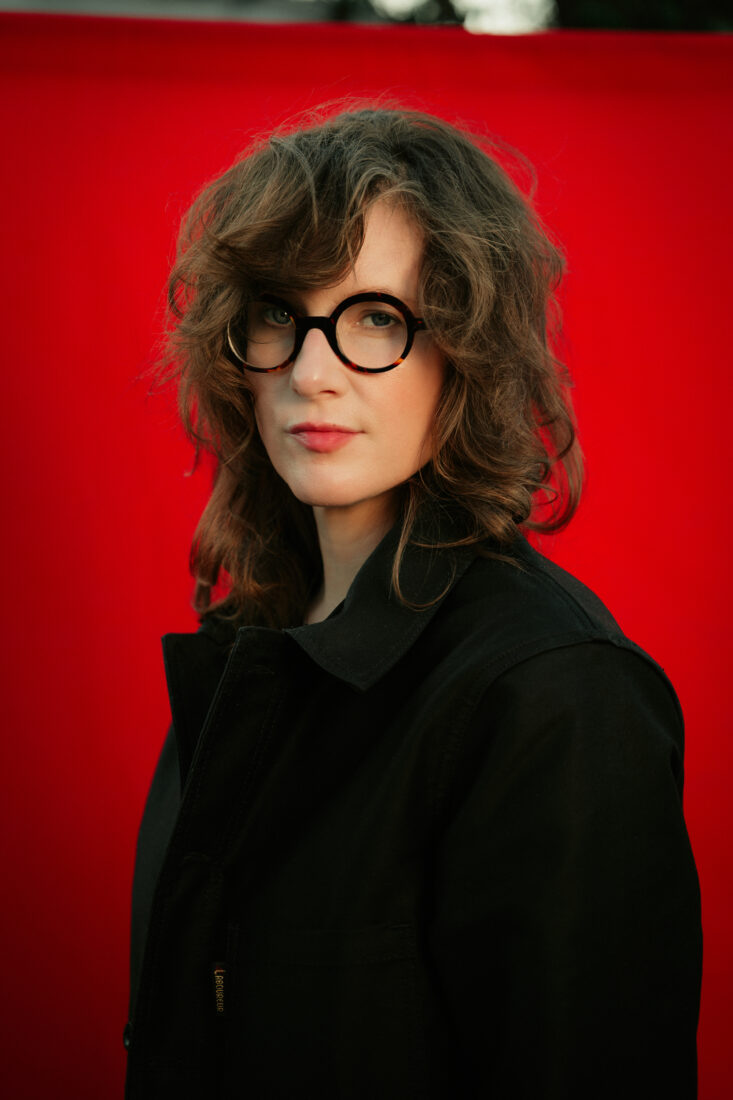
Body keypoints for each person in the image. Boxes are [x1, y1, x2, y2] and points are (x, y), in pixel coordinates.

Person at [124, 107, 701, 1099]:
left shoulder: (554, 695)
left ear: (466, 354)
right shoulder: (251, 646)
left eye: (376, 318)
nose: (312, 372)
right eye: (279, 313)